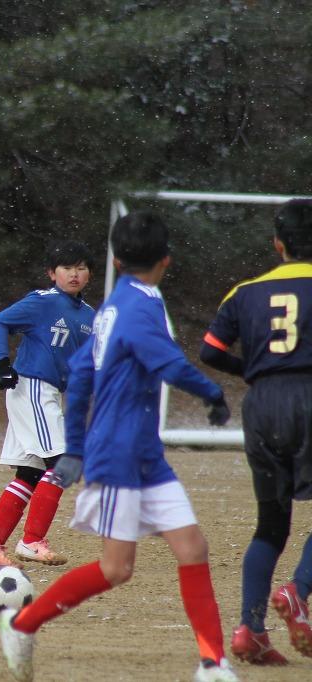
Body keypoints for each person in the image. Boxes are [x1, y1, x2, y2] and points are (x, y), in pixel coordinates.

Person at [0, 212, 239, 682]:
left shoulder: (111, 307)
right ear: (166, 260)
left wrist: (76, 447)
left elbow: (84, 374)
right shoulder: (138, 306)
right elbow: (168, 361)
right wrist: (212, 393)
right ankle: (23, 625)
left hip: (138, 451)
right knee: (116, 568)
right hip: (121, 453)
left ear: (114, 259)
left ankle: (213, 663)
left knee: (192, 548)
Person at [199, 198, 312, 665]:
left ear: (278, 243)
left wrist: (255, 369)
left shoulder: (245, 291)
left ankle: (250, 629)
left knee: (270, 522)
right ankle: (298, 590)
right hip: (309, 395)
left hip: (262, 405)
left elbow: (210, 350)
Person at [0, 240, 95, 568]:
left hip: (51, 395)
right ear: (51, 273)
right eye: (67, 268)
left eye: (81, 267)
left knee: (29, 473)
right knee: (62, 463)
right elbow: (0, 322)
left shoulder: (88, 316)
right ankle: (31, 541)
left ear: (89, 274)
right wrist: (1, 364)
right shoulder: (42, 302)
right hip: (32, 390)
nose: (74, 274)